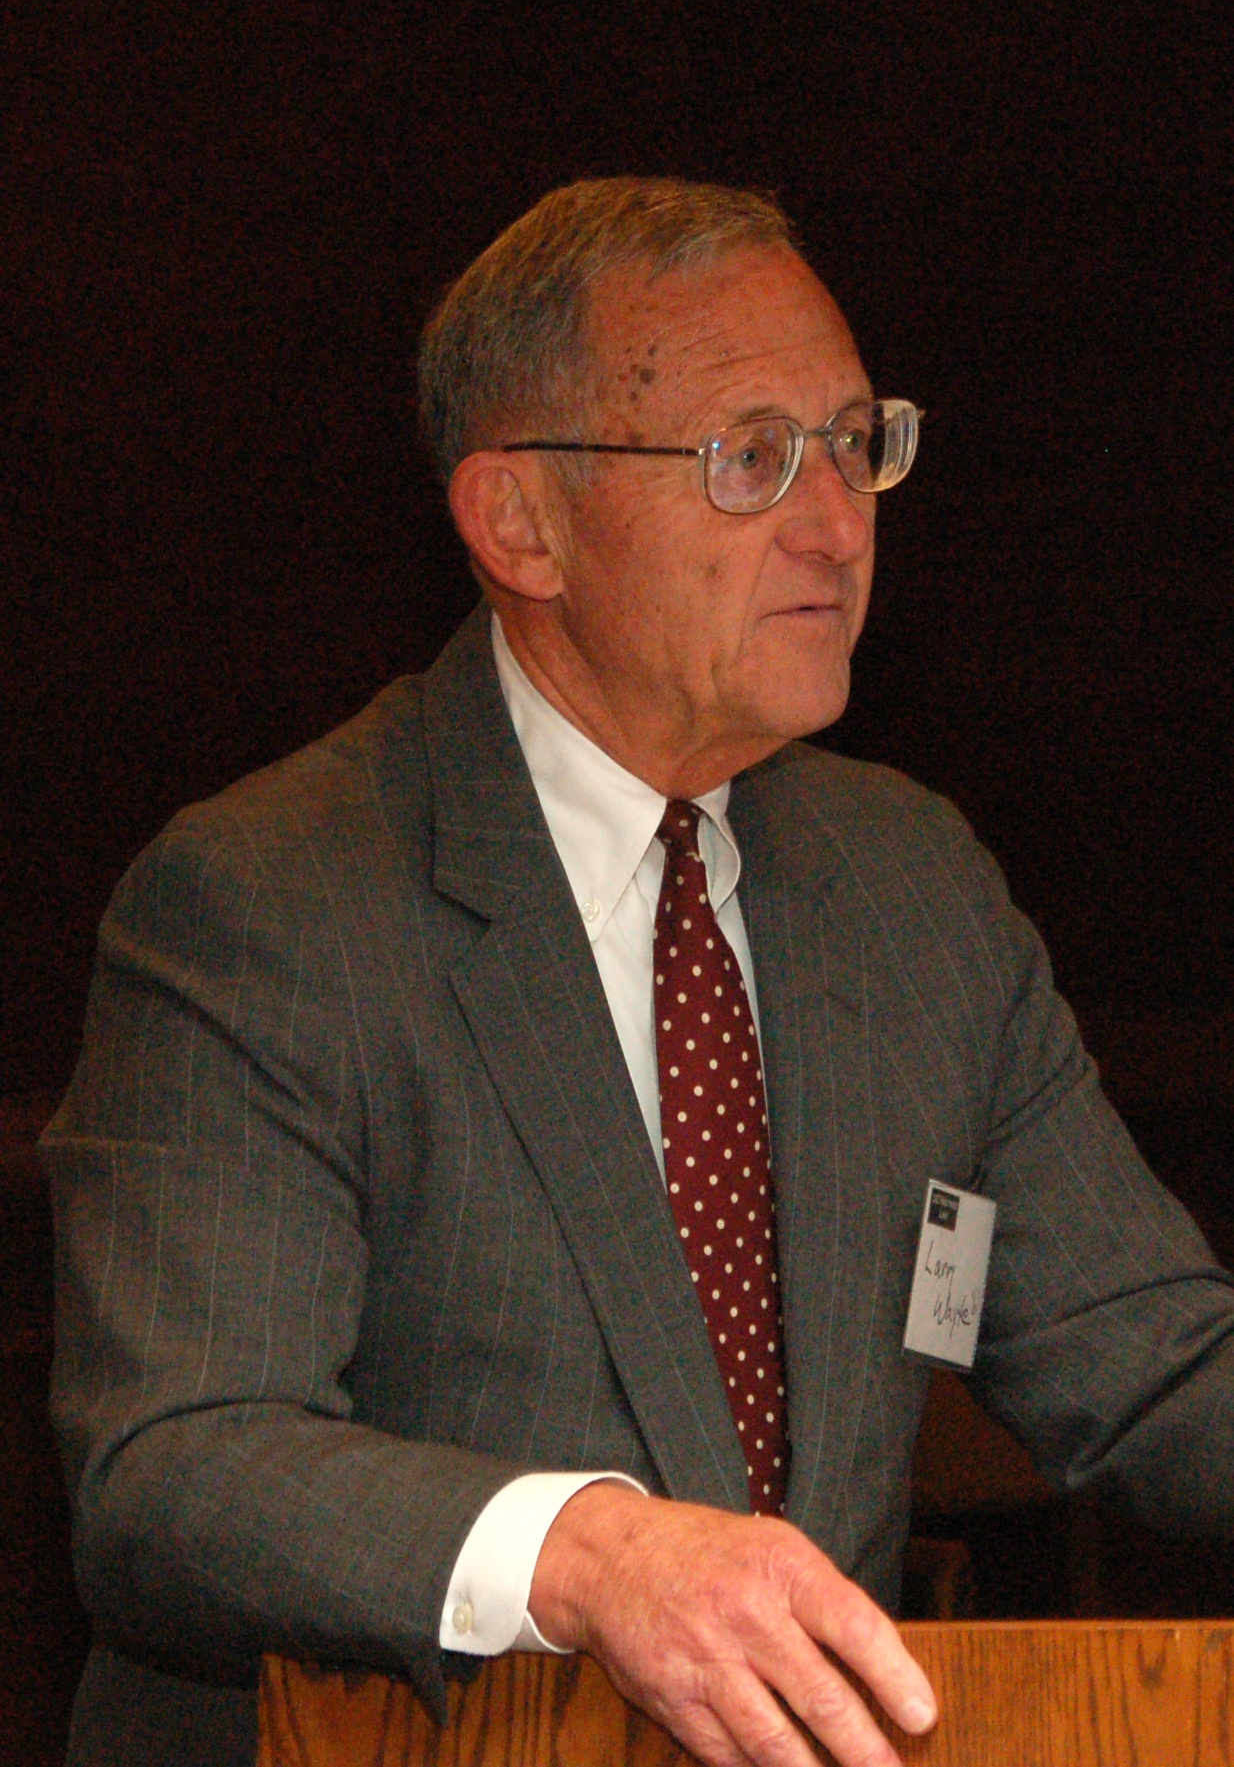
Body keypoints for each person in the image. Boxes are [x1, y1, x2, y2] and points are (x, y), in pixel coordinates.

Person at [45, 178, 1234, 1767]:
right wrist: (592, 1554)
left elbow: (1151, 1364)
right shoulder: (271, 902)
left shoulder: (909, 883)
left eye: (853, 442)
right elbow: (172, 1473)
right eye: (751, 458)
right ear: (520, 524)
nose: (836, 522)